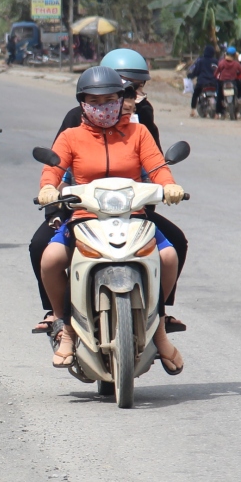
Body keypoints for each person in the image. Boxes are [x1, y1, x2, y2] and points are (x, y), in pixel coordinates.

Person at [37, 66, 186, 373]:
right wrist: (48, 189)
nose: (102, 107)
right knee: (50, 259)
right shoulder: (71, 137)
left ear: (121, 101)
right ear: (82, 103)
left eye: (109, 100)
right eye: (94, 101)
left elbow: (157, 167)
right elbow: (52, 169)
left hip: (133, 216)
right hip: (85, 217)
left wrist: (169, 185)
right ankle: (66, 327)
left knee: (169, 256)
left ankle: (157, 328)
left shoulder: (139, 133)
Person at [214, 46, 241, 113]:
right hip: (233, 81)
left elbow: (217, 71)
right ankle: (240, 99)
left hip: (222, 82)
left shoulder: (222, 63)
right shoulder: (236, 64)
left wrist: (215, 76)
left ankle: (217, 113)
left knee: (219, 96)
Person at [189, 44, 218, 116]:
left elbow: (196, 71)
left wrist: (190, 76)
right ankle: (219, 112)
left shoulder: (200, 61)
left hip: (202, 82)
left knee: (195, 94)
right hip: (214, 82)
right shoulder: (216, 61)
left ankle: (193, 110)